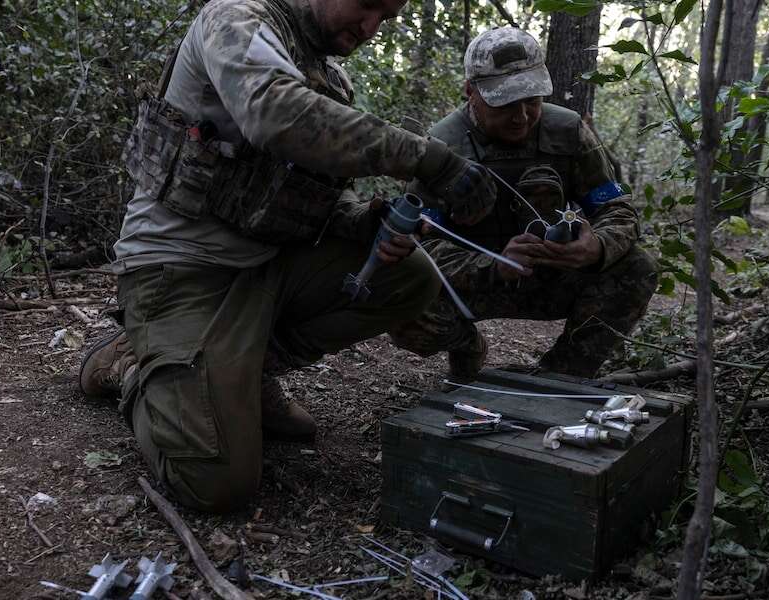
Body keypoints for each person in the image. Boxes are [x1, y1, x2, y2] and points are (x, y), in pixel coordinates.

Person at [77, 0, 497, 512]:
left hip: (269, 265)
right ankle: (133, 365)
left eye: (385, 19)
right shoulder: (234, 18)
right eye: (367, 6)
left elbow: (314, 196)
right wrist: (428, 156)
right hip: (181, 269)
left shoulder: (328, 76)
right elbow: (275, 114)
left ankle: (246, 371)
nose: (369, 28)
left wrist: (363, 221)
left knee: (407, 276)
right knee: (215, 482)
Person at [390, 27, 658, 381]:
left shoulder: (567, 131)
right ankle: (467, 347)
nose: (522, 116)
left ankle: (561, 376)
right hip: (477, 282)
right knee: (399, 296)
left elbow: (616, 209)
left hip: (553, 276)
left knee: (637, 267)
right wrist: (493, 265)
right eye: (505, 103)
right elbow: (417, 244)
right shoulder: (442, 147)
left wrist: (597, 247)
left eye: (532, 100)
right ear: (471, 91)